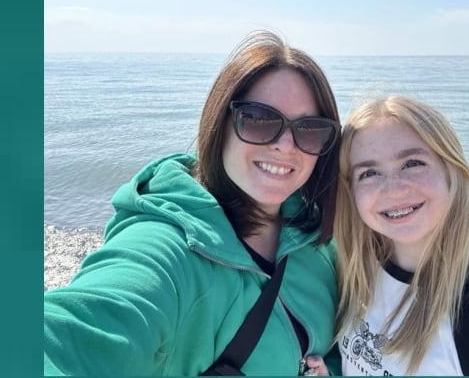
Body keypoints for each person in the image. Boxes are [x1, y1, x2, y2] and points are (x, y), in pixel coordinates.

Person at [44, 30, 343, 376]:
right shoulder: (168, 251)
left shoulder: (317, 237)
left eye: (308, 129)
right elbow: (71, 337)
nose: (286, 144)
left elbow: (347, 346)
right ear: (221, 123)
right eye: (260, 119)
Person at [313, 96, 469, 376]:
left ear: (451, 170)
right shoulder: (358, 267)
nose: (393, 189)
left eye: (412, 163)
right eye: (369, 172)